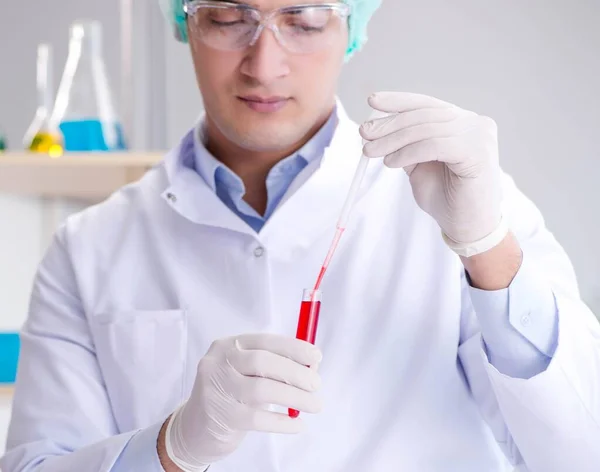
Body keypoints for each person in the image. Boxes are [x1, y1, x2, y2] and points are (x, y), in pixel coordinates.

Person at [2, 0, 600, 470]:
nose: (264, 65)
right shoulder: (89, 248)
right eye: (229, 17)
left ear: (351, 27)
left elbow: (579, 453)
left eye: (306, 20)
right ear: (185, 21)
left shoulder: (464, 204)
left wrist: (487, 247)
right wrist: (170, 449)